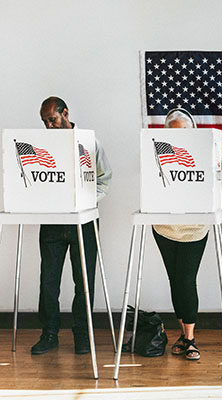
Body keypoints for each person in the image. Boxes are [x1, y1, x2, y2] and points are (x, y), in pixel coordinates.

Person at [31, 96, 112, 355]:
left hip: (84, 219)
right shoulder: (43, 145)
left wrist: (86, 200)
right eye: (45, 122)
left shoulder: (89, 142)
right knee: (48, 280)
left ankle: (82, 334)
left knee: (84, 280)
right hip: (54, 219)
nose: (49, 127)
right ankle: (49, 333)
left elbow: (105, 178)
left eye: (53, 120)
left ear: (65, 113)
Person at [152, 108, 208, 360]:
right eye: (173, 133)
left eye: (184, 132)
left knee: (187, 280)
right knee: (175, 280)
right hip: (164, 228)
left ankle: (191, 338)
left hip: (194, 229)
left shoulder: (204, 154)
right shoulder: (157, 156)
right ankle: (183, 335)